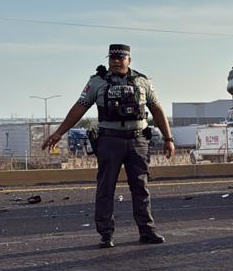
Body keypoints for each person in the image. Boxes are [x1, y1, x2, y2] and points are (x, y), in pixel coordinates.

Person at [41, 44, 176, 248]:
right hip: (109, 140)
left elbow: (157, 109)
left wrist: (168, 138)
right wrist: (59, 132)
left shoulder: (142, 81)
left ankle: (147, 231)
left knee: (141, 188)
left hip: (137, 141)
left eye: (120, 58)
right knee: (106, 188)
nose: (116, 61)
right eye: (112, 58)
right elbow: (79, 107)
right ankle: (106, 234)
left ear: (128, 59)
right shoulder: (97, 82)